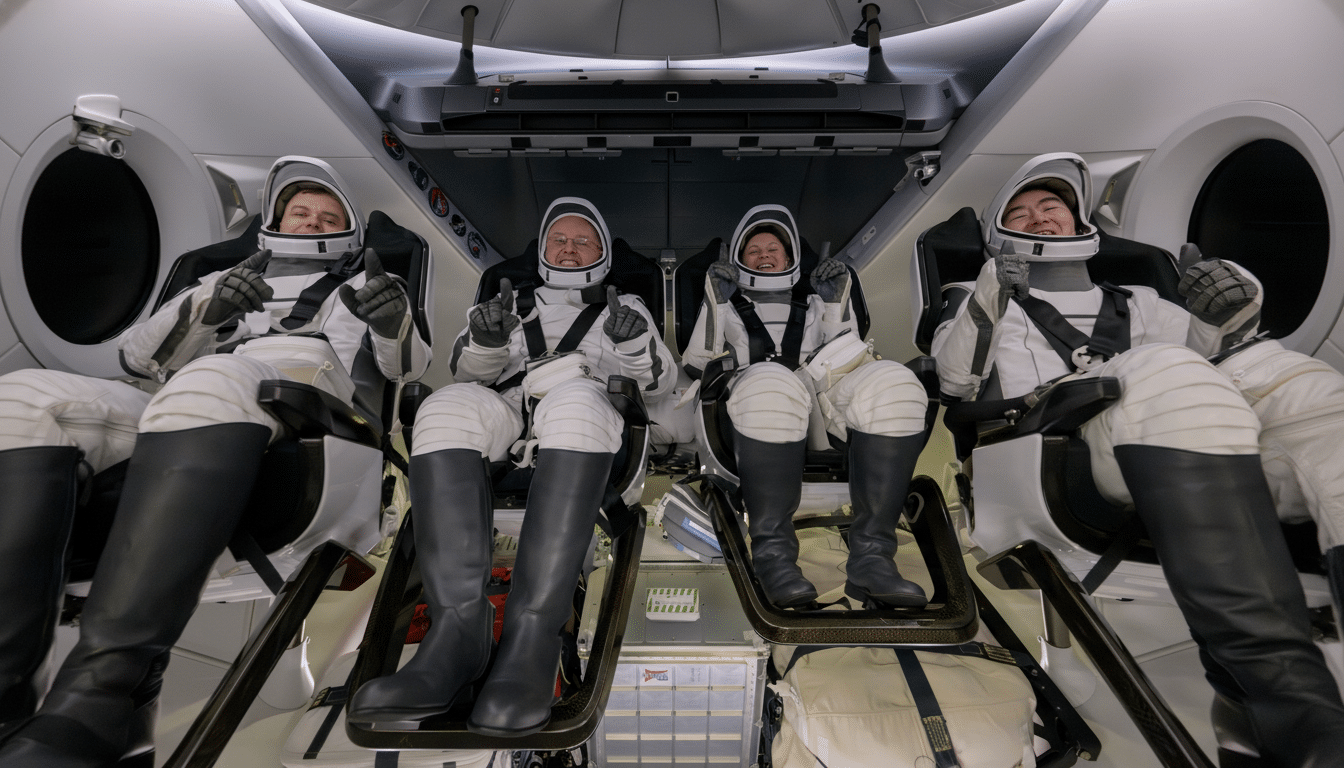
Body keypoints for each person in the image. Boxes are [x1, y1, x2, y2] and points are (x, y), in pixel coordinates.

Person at [0, 156, 429, 767]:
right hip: (186, 406)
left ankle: (103, 703)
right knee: (23, 397)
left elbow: (405, 367)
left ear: (348, 232)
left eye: (327, 217)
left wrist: (392, 322)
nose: (311, 223)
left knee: (216, 378)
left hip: (311, 407)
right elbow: (137, 360)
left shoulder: (365, 287)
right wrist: (208, 309)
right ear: (275, 220)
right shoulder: (220, 280)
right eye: (299, 213)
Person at [930, 152, 1344, 767]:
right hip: (1051, 450)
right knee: (1163, 366)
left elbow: (1218, 365)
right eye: (1020, 212)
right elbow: (956, 380)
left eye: (1052, 207)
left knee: (1304, 383)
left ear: (1079, 225)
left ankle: (1255, 715)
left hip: (1193, 439)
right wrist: (993, 288)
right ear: (999, 236)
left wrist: (1231, 317)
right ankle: (1286, 708)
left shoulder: (1145, 301)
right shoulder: (973, 297)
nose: (1039, 218)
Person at [347, 197, 674, 737]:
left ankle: (532, 637)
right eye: (558, 241)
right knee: (443, 406)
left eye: (583, 242)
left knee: (573, 405)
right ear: (543, 250)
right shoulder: (506, 302)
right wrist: (488, 340)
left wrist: (633, 343)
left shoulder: (629, 308)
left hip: (583, 407)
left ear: (603, 253)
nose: (569, 250)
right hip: (508, 407)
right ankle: (455, 634)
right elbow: (466, 370)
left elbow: (660, 383)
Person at [681, 205, 929, 609]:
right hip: (748, 413)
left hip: (819, 409)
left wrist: (836, 305)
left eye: (773, 248)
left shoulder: (817, 307)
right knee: (772, 380)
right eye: (753, 250)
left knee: (896, 382)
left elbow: (846, 355)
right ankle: (773, 558)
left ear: (791, 257)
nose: (763, 255)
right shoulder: (726, 307)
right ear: (739, 261)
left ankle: (873, 559)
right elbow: (696, 363)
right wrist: (714, 301)